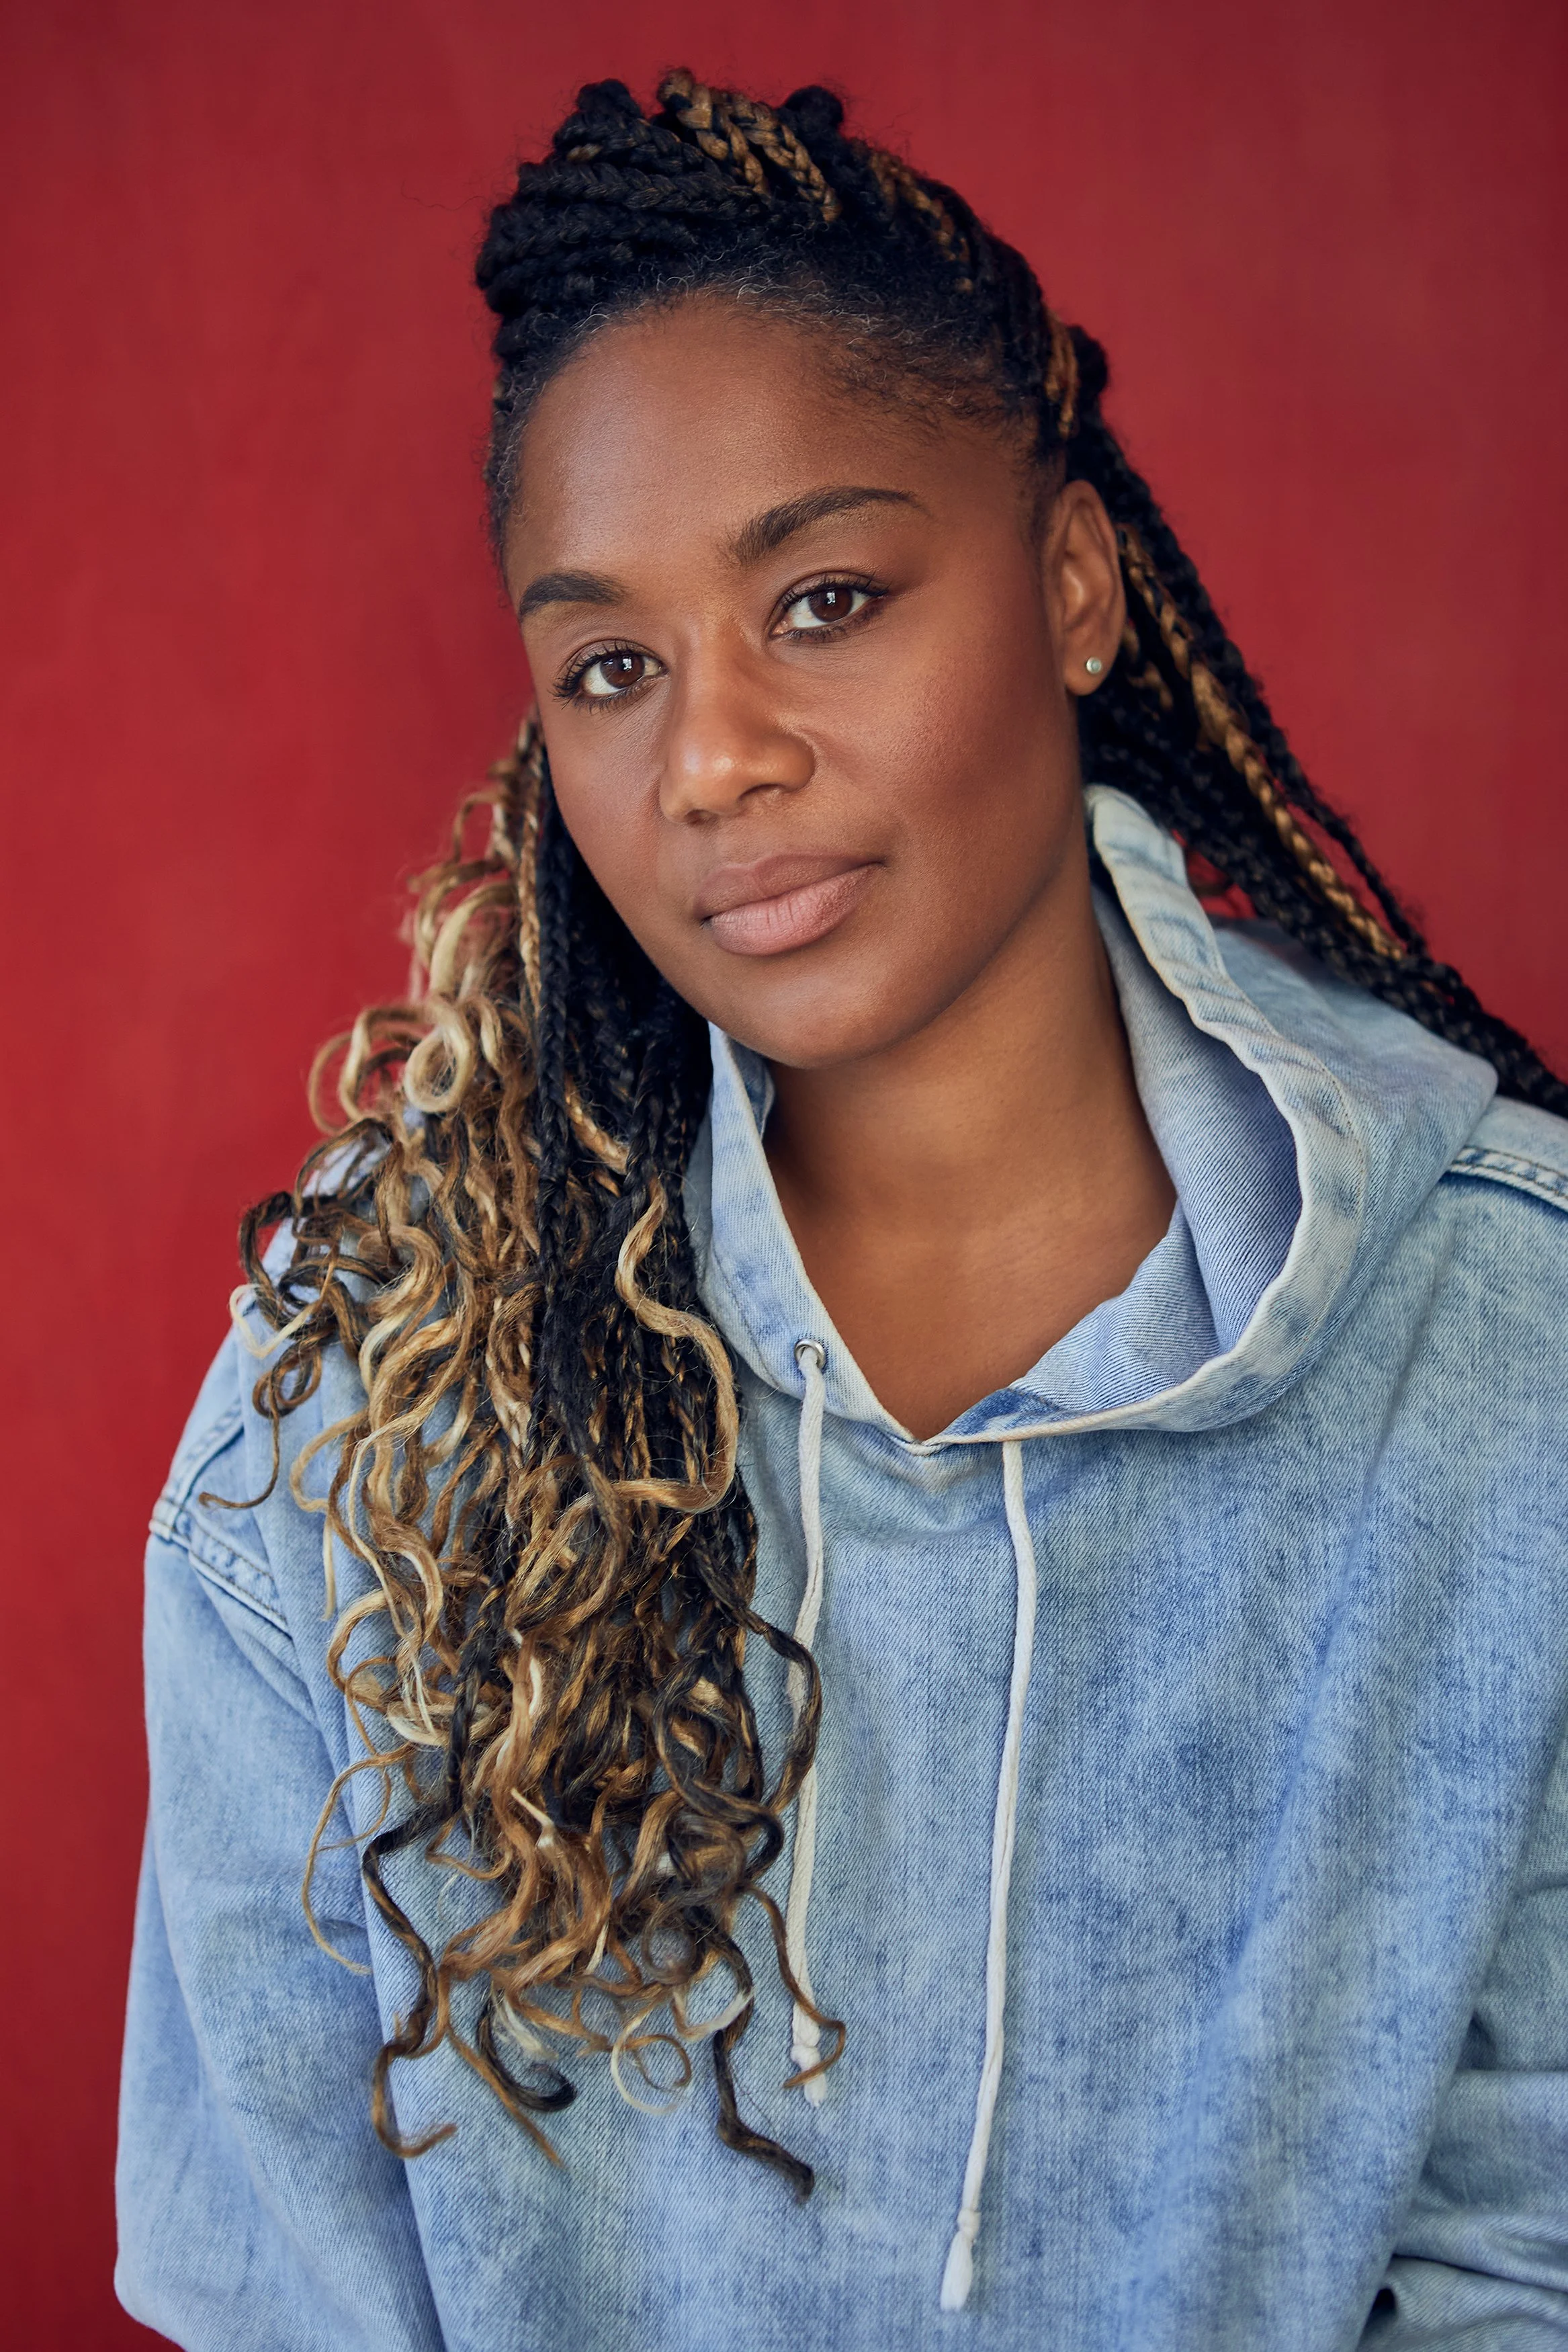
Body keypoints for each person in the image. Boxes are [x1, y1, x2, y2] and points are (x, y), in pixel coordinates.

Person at [115, 69, 1568, 2352]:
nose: (710, 756)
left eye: (822, 595)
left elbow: (1524, 2256)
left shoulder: (1506, 1347)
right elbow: (273, 2282)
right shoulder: (363, 1387)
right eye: (610, 665)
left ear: (1070, 586)